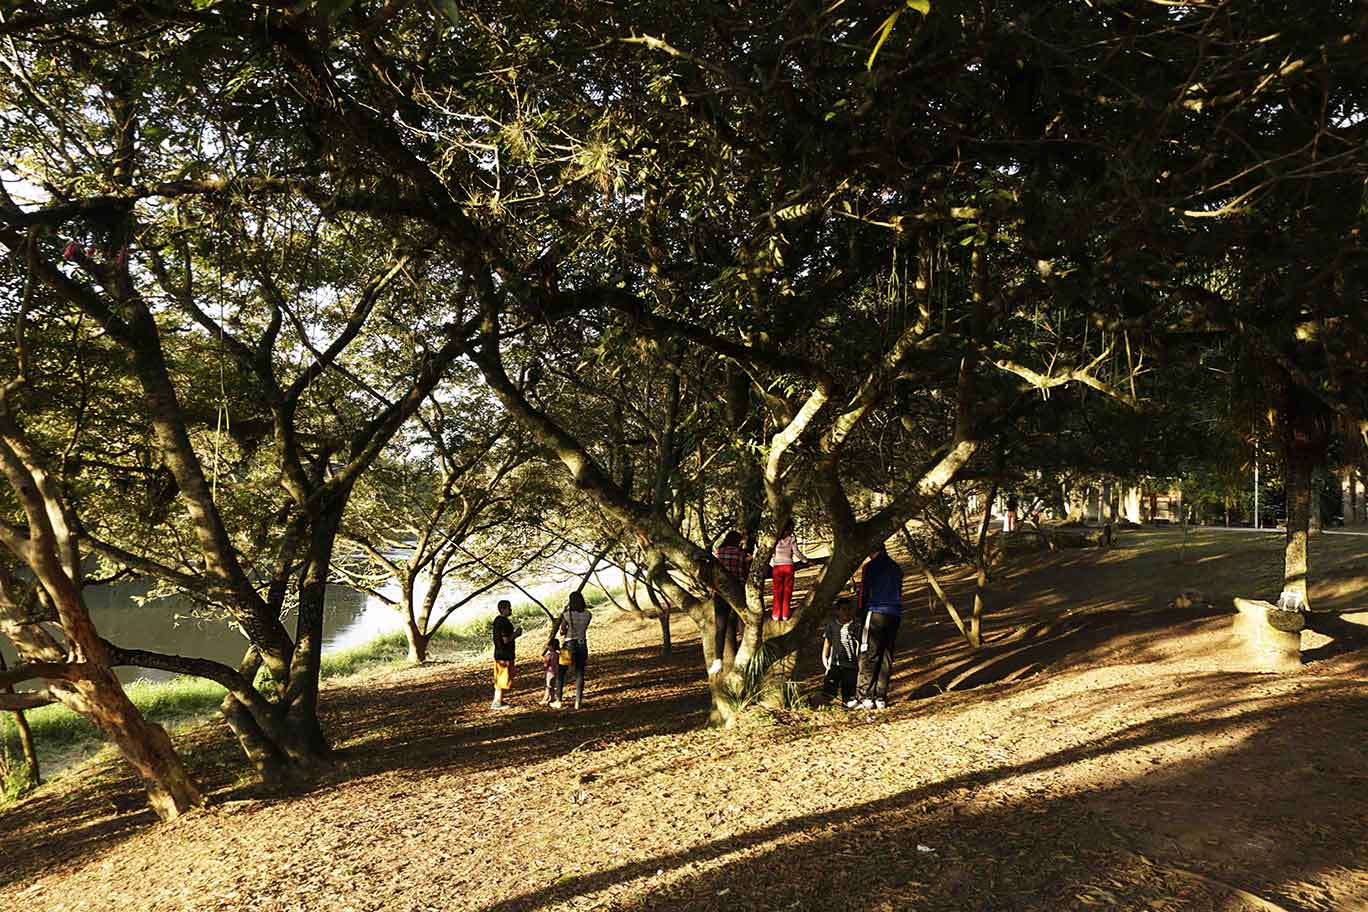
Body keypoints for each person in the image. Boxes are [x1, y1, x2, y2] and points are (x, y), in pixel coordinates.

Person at [852, 542, 903, 710]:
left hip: (875, 611)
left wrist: (860, 612)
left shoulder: (870, 567)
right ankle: (880, 696)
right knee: (886, 654)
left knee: (868, 653)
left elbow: (864, 592)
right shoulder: (896, 567)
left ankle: (864, 696)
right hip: (894, 613)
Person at [710, 530, 749, 676]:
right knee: (742, 623)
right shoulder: (741, 554)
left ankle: (717, 660)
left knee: (720, 627)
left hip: (721, 592)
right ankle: (746, 652)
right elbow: (744, 571)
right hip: (738, 590)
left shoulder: (717, 553)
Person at [557, 591, 593, 709]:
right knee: (580, 672)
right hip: (582, 644)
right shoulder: (588, 614)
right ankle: (578, 701)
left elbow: (562, 632)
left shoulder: (567, 615)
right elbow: (584, 628)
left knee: (561, 672)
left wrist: (563, 619)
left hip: (568, 644)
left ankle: (558, 699)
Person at [769, 520, 808, 622]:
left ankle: (776, 615)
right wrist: (805, 560)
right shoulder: (792, 539)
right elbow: (796, 552)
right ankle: (785, 614)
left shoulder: (775, 539)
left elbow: (770, 552)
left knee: (777, 591)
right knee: (787, 591)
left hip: (777, 567)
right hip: (788, 567)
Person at [822, 598, 860, 705]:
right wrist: (825, 657)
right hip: (835, 663)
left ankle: (847, 703)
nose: (847, 612)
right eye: (843, 609)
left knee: (848, 692)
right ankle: (823, 704)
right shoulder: (832, 625)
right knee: (828, 690)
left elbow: (859, 644)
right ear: (837, 611)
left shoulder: (856, 626)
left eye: (849, 609)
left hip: (851, 665)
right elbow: (828, 642)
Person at [491, 599, 521, 711]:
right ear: (503, 609)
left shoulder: (498, 621)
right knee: (502, 679)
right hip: (504, 654)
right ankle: (497, 702)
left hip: (501, 653)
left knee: (501, 678)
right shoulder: (503, 622)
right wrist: (516, 634)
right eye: (509, 607)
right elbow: (505, 640)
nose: (511, 609)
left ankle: (499, 699)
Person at [540, 636, 561, 705]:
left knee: (548, 686)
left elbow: (546, 665)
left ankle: (545, 699)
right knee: (553, 685)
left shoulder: (549, 655)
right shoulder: (558, 655)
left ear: (551, 647)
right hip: (557, 672)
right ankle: (552, 697)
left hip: (550, 673)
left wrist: (544, 665)